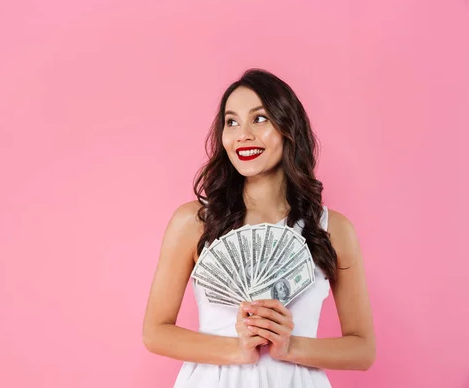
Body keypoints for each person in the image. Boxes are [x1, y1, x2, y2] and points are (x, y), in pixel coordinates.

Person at [142, 68, 375, 387]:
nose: (243, 134)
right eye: (231, 121)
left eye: (260, 118)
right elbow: (155, 332)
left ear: (287, 127)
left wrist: (291, 346)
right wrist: (237, 350)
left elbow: (363, 349)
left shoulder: (333, 229)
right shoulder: (193, 222)